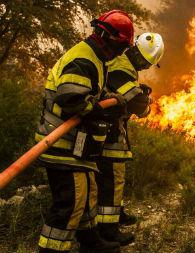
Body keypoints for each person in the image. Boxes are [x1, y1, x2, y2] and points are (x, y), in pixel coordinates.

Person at [35, 10, 135, 253]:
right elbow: (71, 98)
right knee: (71, 202)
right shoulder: (84, 59)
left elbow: (89, 93)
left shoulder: (96, 58)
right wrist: (101, 109)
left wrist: (108, 99)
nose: (121, 52)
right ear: (108, 38)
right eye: (121, 46)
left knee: (87, 193)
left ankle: (91, 242)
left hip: (75, 144)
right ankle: (51, 249)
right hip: (60, 141)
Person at [95, 32, 165, 246]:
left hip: (110, 129)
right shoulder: (122, 67)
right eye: (145, 63)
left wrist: (138, 92)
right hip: (109, 133)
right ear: (139, 56)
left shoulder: (123, 63)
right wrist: (146, 102)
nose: (145, 67)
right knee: (112, 179)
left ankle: (117, 214)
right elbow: (135, 102)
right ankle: (109, 230)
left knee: (112, 179)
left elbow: (126, 92)